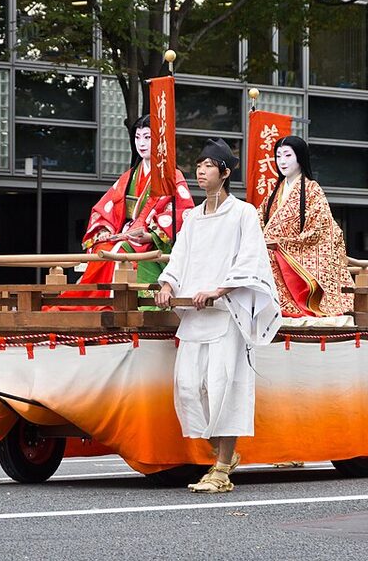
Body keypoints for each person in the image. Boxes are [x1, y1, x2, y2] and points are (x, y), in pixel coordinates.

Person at [155, 138, 281, 494]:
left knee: (224, 385)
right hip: (195, 317)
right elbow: (179, 257)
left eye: (209, 166)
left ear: (225, 173)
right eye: (198, 165)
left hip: (226, 314)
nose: (201, 171)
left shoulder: (244, 213)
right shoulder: (192, 217)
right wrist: (167, 284)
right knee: (187, 387)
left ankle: (223, 467)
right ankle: (223, 455)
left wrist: (220, 289)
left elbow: (251, 258)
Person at [51, 115, 194, 308]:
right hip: (128, 233)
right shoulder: (129, 176)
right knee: (104, 249)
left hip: (153, 241)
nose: (141, 143)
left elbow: (181, 212)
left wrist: (152, 236)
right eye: (137, 137)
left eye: (147, 137)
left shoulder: (172, 176)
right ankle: (90, 302)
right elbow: (108, 206)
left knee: (119, 251)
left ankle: (108, 303)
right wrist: (104, 230)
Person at [257, 136, 353, 325]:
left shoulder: (312, 189)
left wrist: (282, 244)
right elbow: (259, 221)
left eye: (287, 155)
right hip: (273, 250)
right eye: (278, 156)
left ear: (300, 157)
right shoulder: (274, 192)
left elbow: (320, 229)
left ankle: (295, 305)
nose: (282, 161)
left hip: (296, 255)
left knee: (268, 256)